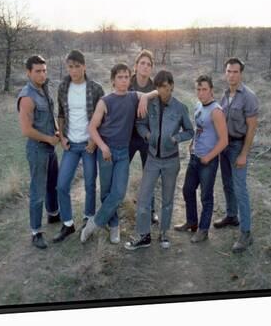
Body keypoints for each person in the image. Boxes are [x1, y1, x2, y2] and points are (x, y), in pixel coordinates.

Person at [81, 63, 157, 244]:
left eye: (126, 77)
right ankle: (114, 226)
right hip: (106, 152)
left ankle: (95, 222)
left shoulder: (133, 97)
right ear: (113, 80)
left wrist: (145, 96)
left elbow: (156, 93)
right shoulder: (105, 101)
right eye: (119, 77)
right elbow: (91, 127)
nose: (123, 80)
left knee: (119, 193)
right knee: (106, 192)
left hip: (123, 152)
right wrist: (103, 147)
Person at [124, 70, 194, 250]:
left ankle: (164, 233)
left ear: (171, 86)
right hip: (153, 159)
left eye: (167, 87)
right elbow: (140, 124)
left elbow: (189, 131)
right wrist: (147, 135)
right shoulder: (151, 104)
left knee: (168, 199)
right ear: (156, 88)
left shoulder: (180, 108)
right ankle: (143, 235)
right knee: (144, 198)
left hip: (171, 161)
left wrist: (176, 138)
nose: (164, 91)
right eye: (160, 87)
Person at [53, 50, 105, 243]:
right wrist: (62, 136)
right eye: (70, 67)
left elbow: (104, 117)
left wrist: (94, 140)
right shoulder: (63, 88)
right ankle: (67, 224)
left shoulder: (95, 88)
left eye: (77, 66)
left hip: (88, 144)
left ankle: (88, 218)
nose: (73, 70)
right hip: (71, 144)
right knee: (62, 185)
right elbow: (60, 114)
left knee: (90, 184)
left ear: (84, 66)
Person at [174, 75, 228, 243]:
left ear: (211, 90)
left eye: (204, 89)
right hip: (195, 157)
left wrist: (209, 157)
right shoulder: (198, 105)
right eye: (198, 89)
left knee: (206, 196)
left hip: (208, 161)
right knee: (187, 190)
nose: (201, 92)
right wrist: (192, 143)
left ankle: (203, 230)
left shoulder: (216, 111)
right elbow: (200, 128)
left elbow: (224, 141)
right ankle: (192, 222)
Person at [213, 58, 259, 253]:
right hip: (224, 145)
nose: (231, 75)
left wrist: (244, 154)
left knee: (240, 188)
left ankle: (246, 233)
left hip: (238, 146)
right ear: (225, 73)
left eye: (235, 72)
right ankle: (232, 216)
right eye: (229, 71)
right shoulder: (225, 95)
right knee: (227, 184)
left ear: (241, 73)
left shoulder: (248, 96)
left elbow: (251, 128)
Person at [17, 55, 61, 249]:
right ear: (28, 72)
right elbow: (26, 130)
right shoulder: (27, 96)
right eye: (38, 71)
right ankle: (36, 232)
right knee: (37, 191)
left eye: (44, 70)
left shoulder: (44, 89)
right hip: (38, 149)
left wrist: (57, 131)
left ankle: (53, 214)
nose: (42, 74)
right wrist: (48, 138)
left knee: (53, 184)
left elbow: (49, 116)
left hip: (50, 147)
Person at [129, 50, 159, 225]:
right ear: (136, 66)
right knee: (120, 171)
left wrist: (148, 95)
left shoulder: (155, 87)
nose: (145, 66)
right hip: (127, 136)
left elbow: (163, 94)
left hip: (146, 137)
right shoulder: (127, 82)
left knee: (150, 174)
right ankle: (113, 206)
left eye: (149, 64)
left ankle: (151, 209)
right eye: (142, 63)